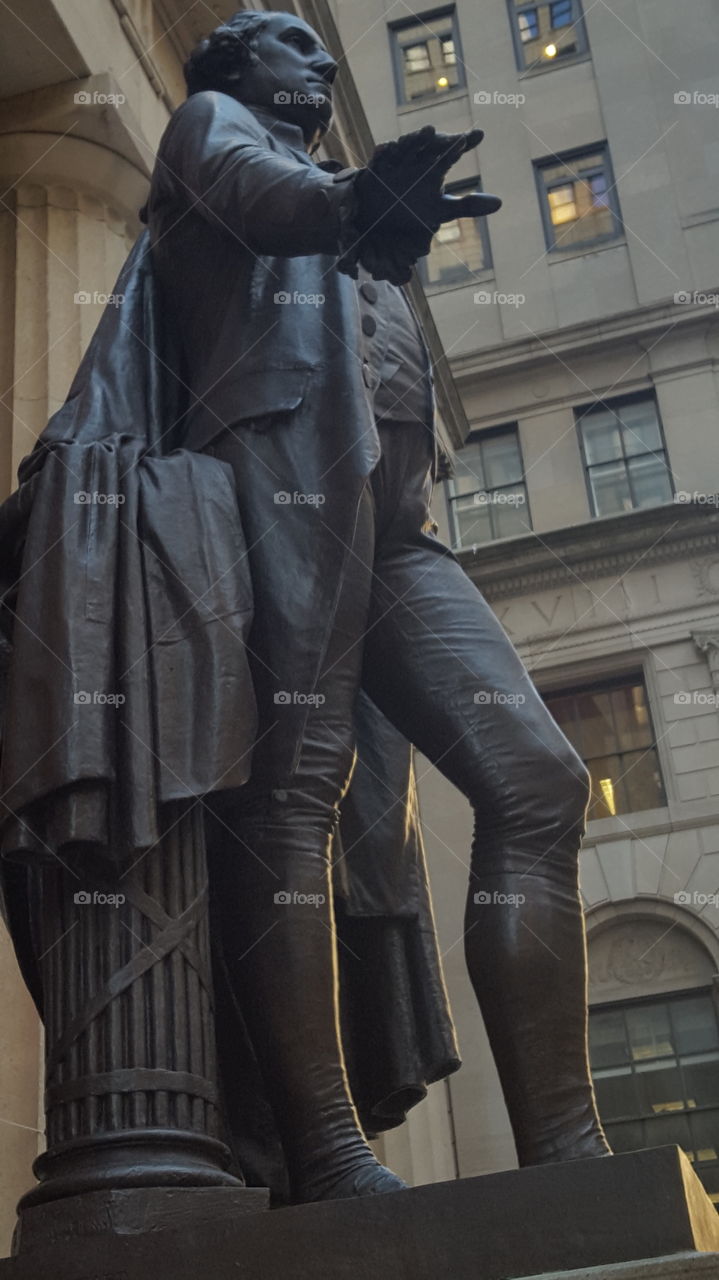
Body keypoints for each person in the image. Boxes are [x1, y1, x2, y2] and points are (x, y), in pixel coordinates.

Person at [145, 9, 610, 1205]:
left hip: (396, 528)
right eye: (292, 42)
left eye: (319, 44)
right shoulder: (213, 125)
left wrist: (379, 227)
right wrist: (357, 207)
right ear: (233, 61)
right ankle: (323, 1148)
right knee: (290, 797)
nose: (320, 59)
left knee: (538, 778)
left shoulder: (327, 180)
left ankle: (566, 1152)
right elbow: (264, 200)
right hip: (279, 486)